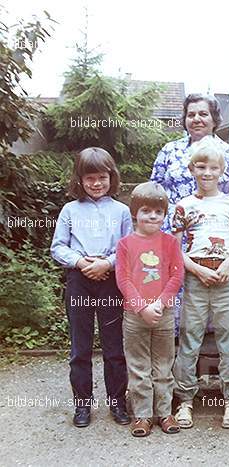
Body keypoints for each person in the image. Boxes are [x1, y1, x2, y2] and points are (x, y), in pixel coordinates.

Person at [150, 93, 229, 332]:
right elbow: (154, 192)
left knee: (212, 306)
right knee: (172, 301)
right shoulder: (169, 151)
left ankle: (210, 361)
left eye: (203, 114)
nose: (196, 119)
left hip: (213, 244)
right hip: (173, 240)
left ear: (214, 118)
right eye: (191, 114)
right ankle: (173, 360)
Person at [50, 147, 131, 428]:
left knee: (114, 347)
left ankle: (118, 402)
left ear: (112, 177)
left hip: (110, 281)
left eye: (102, 177)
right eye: (90, 178)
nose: (96, 183)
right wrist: (82, 262)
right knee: (80, 347)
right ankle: (82, 405)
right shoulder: (70, 210)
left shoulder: (121, 211)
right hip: (79, 280)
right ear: (80, 180)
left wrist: (106, 264)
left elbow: (127, 247)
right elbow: (58, 246)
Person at [171, 137, 229, 429]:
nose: (206, 173)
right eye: (200, 167)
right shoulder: (184, 205)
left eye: (213, 167)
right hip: (196, 277)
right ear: (192, 169)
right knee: (190, 339)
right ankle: (186, 401)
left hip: (225, 277)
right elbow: (175, 248)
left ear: (222, 170)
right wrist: (196, 270)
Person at [115, 182, 184, 437]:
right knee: (138, 366)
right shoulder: (125, 244)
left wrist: (160, 303)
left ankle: (165, 412)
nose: (152, 216)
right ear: (135, 213)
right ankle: (142, 415)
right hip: (134, 316)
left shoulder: (169, 243)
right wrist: (141, 307)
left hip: (163, 313)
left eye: (158, 211)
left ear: (165, 214)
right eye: (146, 210)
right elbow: (123, 279)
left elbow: (176, 276)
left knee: (164, 365)